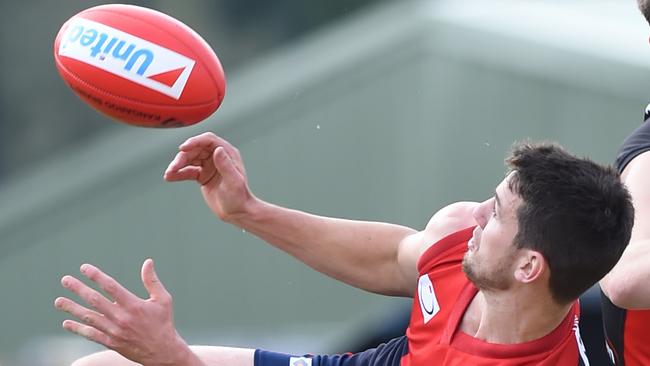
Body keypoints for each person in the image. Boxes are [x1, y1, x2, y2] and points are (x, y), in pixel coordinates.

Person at [55, 132, 634, 365]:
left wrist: (174, 356)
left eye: (498, 213)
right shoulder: (474, 255)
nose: (477, 216)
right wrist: (248, 210)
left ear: (531, 265)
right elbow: (393, 257)